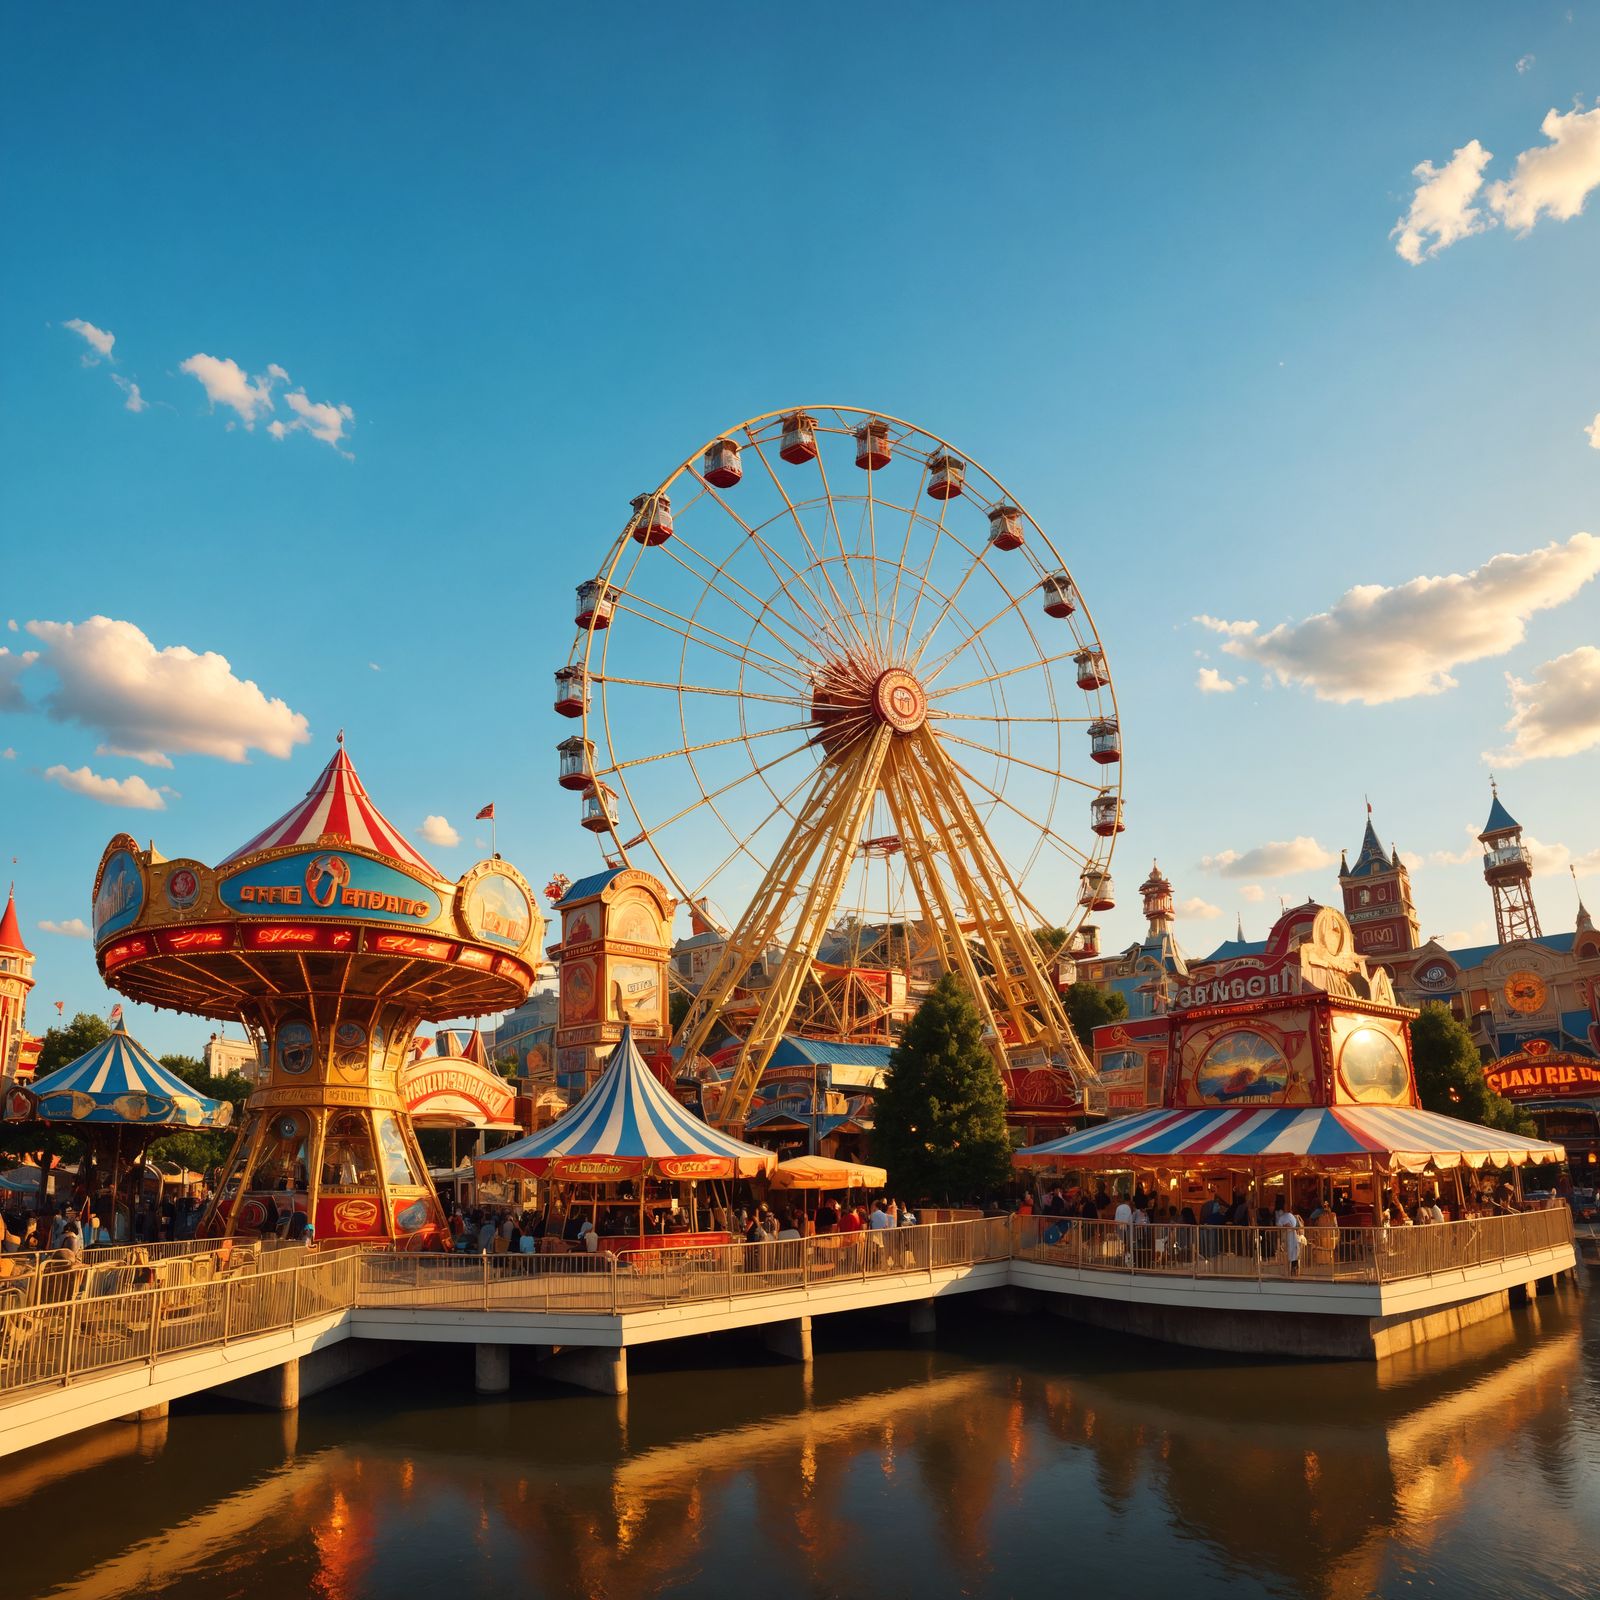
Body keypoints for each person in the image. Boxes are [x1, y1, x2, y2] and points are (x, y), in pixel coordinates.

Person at [1275, 1195, 1303, 1276]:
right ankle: (1291, 1268)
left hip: (1291, 1236)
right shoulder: (1283, 1216)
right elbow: (1279, 1225)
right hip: (1287, 1237)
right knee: (1290, 1252)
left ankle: (1293, 1268)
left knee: (1293, 1251)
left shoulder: (1288, 1216)